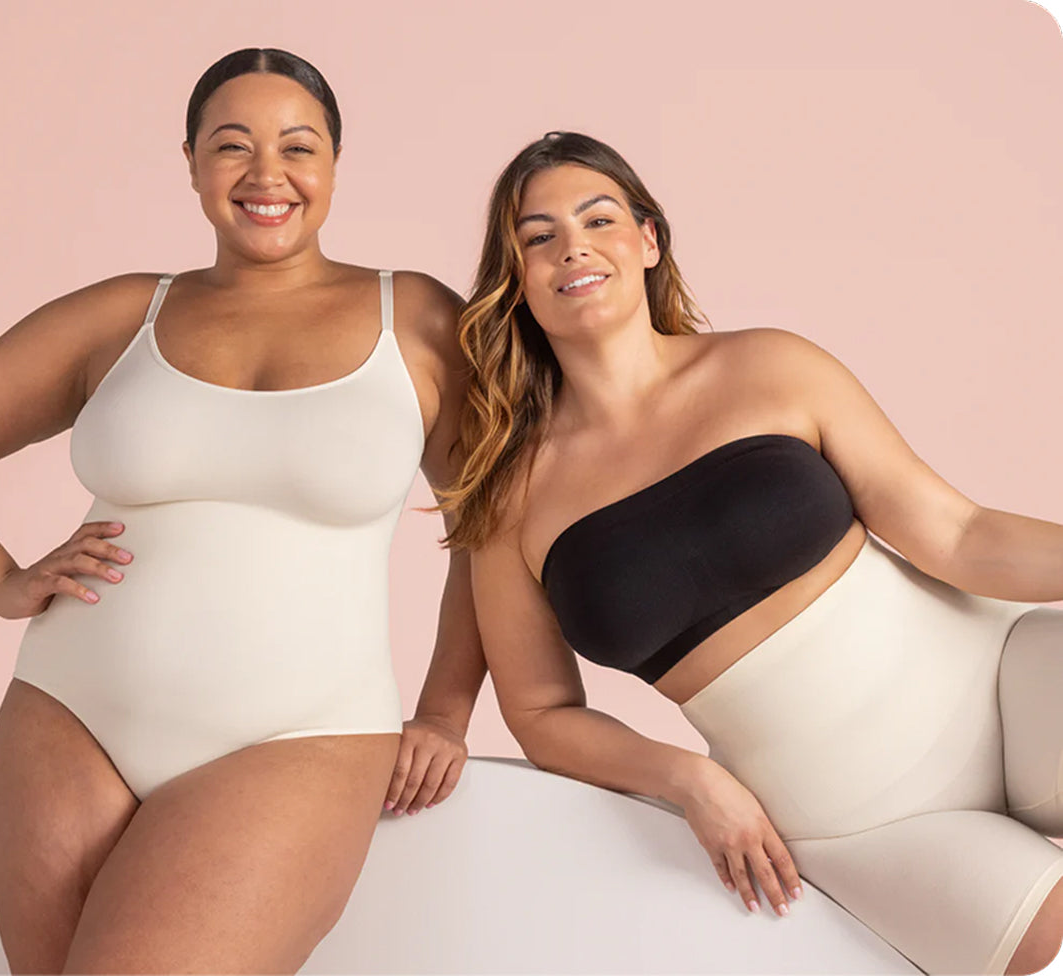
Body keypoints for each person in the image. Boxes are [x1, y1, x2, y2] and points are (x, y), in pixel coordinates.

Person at [443, 131, 1063, 975]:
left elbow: (956, 534)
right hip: (857, 826)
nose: (573, 248)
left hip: (1001, 683)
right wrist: (689, 781)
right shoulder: (510, 496)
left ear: (649, 239)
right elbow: (542, 713)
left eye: (598, 219)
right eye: (538, 236)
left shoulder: (770, 365)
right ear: (515, 276)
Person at [0, 48, 485, 974]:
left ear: (335, 164)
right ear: (190, 162)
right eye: (232, 145)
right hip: (66, 717)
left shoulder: (416, 318)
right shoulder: (122, 316)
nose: (267, 175)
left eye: (297, 147)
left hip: (297, 737)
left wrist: (447, 712)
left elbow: (489, 528)